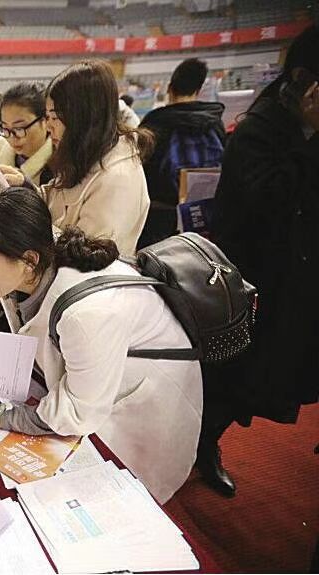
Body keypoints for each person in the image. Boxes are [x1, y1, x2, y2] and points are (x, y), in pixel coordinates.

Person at [0, 188, 202, 503]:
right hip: (100, 375)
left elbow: (78, 412)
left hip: (146, 399)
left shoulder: (86, 315)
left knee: (103, 497)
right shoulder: (38, 258)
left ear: (29, 260)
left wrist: (0, 417)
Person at [202, 25, 319, 497]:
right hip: (248, 285)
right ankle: (203, 444)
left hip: (297, 282)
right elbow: (270, 201)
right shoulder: (258, 131)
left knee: (269, 375)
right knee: (232, 377)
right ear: (306, 84)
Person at [44, 60, 153, 255]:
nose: (48, 126)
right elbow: (57, 200)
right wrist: (24, 188)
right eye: (47, 117)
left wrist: (30, 230)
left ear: (83, 118)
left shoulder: (117, 179)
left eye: (55, 117)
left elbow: (87, 256)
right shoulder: (85, 155)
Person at [137, 58, 225, 248]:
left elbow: (140, 173)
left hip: (159, 222)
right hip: (203, 216)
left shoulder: (154, 123)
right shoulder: (215, 123)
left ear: (170, 89)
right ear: (199, 90)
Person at [0, 81, 54, 187]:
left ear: (45, 121)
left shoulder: (61, 160)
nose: (11, 137)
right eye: (5, 128)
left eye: (19, 128)